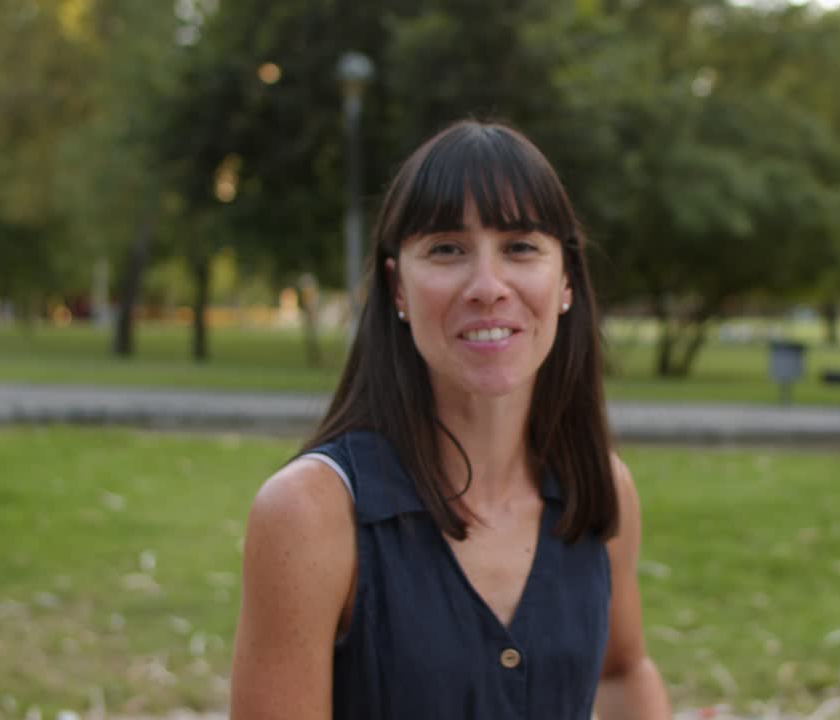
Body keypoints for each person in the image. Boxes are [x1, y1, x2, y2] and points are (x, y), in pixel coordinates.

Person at [230, 120, 672, 719]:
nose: (487, 287)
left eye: (519, 246)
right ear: (398, 289)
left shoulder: (600, 489)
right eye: (446, 249)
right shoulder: (309, 513)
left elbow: (622, 673)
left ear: (565, 278)